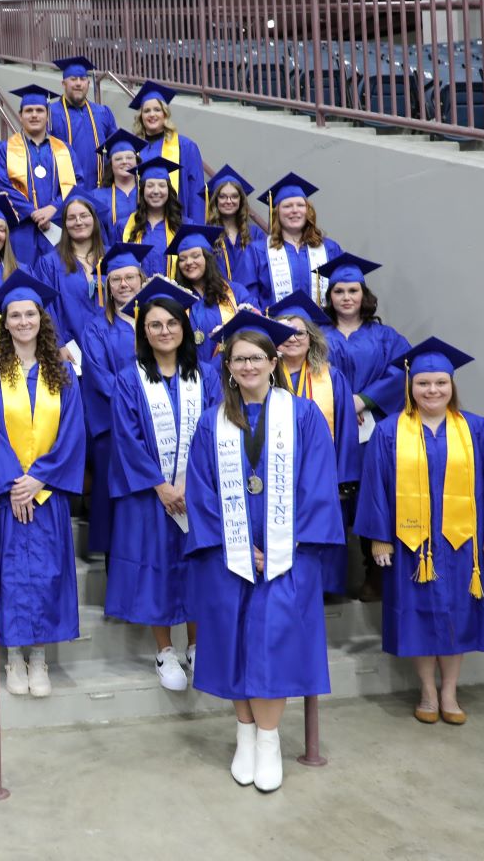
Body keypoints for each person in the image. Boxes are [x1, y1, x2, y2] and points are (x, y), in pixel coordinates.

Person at [183, 312, 344, 792]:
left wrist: (280, 543)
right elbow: (200, 489)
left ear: (274, 362)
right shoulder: (212, 422)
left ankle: (269, 741)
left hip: (288, 556)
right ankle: (244, 735)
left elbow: (319, 484)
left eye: (257, 357)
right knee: (233, 640)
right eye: (239, 359)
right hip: (228, 556)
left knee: (273, 642)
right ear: (228, 367)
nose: (248, 365)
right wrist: (237, 544)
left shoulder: (303, 415)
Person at [355, 339, 484, 725]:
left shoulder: (476, 429)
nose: (432, 391)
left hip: (461, 543)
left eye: (440, 384)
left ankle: (450, 692)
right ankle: (427, 693)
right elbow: (376, 485)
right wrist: (379, 537)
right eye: (423, 384)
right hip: (411, 544)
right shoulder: (388, 431)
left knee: (457, 615)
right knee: (417, 615)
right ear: (410, 387)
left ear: (452, 386)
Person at [0, 271, 86, 697]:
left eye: (29, 313)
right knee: (10, 574)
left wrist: (39, 480)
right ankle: (13, 655)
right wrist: (15, 485)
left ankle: (40, 658)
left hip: (45, 496)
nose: (22, 321)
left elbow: (72, 432)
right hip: (4, 496)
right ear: (5, 321)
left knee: (47, 573)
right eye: (14, 315)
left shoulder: (63, 374)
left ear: (41, 318)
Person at [106, 279, 216, 690]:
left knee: (196, 566)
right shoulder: (129, 378)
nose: (164, 331)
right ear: (143, 332)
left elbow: (213, 431)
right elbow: (126, 437)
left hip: (197, 495)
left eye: (171, 323)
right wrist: (160, 485)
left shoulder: (206, 376)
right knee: (155, 567)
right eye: (155, 325)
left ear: (184, 328)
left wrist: (194, 485)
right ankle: (164, 650)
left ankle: (196, 645)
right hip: (150, 497)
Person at [318, 253, 411, 601]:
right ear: (329, 297)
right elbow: (308, 375)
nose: (346, 297)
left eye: (352, 290)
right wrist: (342, 404)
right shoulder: (318, 334)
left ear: (364, 295)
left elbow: (402, 370)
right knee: (332, 499)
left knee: (375, 496)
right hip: (329, 429)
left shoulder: (385, 336)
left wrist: (364, 400)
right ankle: (330, 582)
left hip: (372, 430)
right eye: (338, 291)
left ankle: (376, 577)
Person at [269, 292, 362, 598]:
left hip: (322, 480)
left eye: (300, 332)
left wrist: (340, 480)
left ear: (312, 338)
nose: (293, 338)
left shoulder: (332, 378)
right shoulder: (262, 378)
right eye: (285, 332)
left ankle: (322, 593)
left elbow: (347, 431)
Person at [79, 243, 156, 557]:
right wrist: (138, 407)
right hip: (113, 426)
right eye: (116, 279)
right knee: (115, 505)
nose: (124, 285)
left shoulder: (156, 323)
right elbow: (100, 378)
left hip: (156, 424)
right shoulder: (97, 328)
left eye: (130, 278)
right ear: (105, 285)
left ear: (141, 279)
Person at [0, 84, 76, 269]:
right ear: (20, 116)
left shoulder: (64, 150)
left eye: (39, 110)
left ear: (47, 115)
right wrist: (32, 212)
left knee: (57, 275)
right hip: (21, 229)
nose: (34, 115)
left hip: (56, 226)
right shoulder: (4, 149)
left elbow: (76, 184)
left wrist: (54, 207)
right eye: (28, 111)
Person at [170, 223, 258, 363]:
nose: (189, 262)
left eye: (195, 256)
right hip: (190, 375)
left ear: (207, 258)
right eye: (182, 259)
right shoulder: (175, 298)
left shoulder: (235, 292)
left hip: (231, 373)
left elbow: (254, 330)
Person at [253, 172, 343, 308]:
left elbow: (344, 289)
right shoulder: (258, 250)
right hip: (275, 326)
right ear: (276, 213)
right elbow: (249, 297)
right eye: (287, 206)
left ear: (308, 211)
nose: (295, 210)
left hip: (321, 328)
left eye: (300, 205)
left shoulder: (329, 249)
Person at [32, 192, 105, 350]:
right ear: (64, 224)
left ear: (94, 220)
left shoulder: (111, 258)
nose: (78, 222)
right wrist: (58, 345)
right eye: (71, 218)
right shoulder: (49, 263)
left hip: (111, 347)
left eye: (84, 215)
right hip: (70, 351)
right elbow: (47, 309)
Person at [128, 80, 206, 222]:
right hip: (142, 223)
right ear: (141, 116)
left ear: (165, 114)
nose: (152, 115)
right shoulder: (132, 148)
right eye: (147, 111)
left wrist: (195, 229)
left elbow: (196, 191)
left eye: (157, 110)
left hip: (177, 224)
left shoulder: (186, 147)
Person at [48, 56, 118, 188]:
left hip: (101, 189)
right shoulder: (50, 114)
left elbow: (115, 148)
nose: (78, 83)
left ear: (88, 84)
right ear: (64, 84)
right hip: (65, 192)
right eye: (73, 79)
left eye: (82, 79)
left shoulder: (103, 112)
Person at [122, 155, 184, 278]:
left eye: (161, 185)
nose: (156, 191)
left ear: (169, 190)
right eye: (150, 186)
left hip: (174, 295)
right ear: (142, 191)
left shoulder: (183, 226)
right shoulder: (123, 226)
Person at [206, 165, 265, 291]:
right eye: (222, 196)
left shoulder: (256, 234)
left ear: (241, 200)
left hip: (252, 302)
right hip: (219, 300)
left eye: (234, 196)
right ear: (215, 200)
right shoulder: (207, 233)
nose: (229, 201)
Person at [87, 129, 146, 242]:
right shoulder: (96, 197)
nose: (124, 162)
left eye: (129, 157)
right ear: (111, 164)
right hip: (110, 256)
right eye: (118, 159)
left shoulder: (148, 193)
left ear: (137, 162)